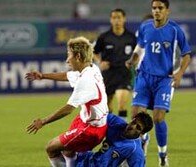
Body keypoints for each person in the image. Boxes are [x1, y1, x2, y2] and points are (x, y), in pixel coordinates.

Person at [125, 0, 192, 166]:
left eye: (160, 8)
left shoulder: (175, 30)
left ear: (167, 10)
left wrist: (180, 74)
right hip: (144, 77)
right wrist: (132, 60)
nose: (156, 11)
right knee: (135, 115)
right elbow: (139, 49)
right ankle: (140, 147)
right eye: (154, 8)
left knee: (158, 117)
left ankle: (162, 155)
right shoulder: (145, 27)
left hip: (164, 79)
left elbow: (187, 54)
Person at [25, 36, 109, 167]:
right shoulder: (91, 68)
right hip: (90, 121)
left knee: (51, 148)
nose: (67, 60)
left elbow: (68, 109)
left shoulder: (86, 80)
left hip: (90, 129)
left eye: (69, 55)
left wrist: (43, 121)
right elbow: (67, 75)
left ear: (78, 57)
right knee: (68, 150)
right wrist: (42, 76)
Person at [93, 8, 136, 120]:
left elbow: (138, 53)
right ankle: (110, 130)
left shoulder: (131, 37)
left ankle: (122, 133)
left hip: (124, 73)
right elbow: (94, 52)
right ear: (111, 20)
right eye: (114, 18)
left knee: (122, 103)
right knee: (107, 106)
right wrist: (100, 62)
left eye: (119, 17)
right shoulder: (104, 37)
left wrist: (133, 62)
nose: (117, 20)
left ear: (124, 19)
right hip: (108, 74)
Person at [75, 112, 154, 167]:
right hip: (88, 159)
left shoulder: (135, 150)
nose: (132, 127)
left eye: (138, 127)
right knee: (66, 149)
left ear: (142, 133)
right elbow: (100, 116)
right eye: (134, 122)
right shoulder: (117, 123)